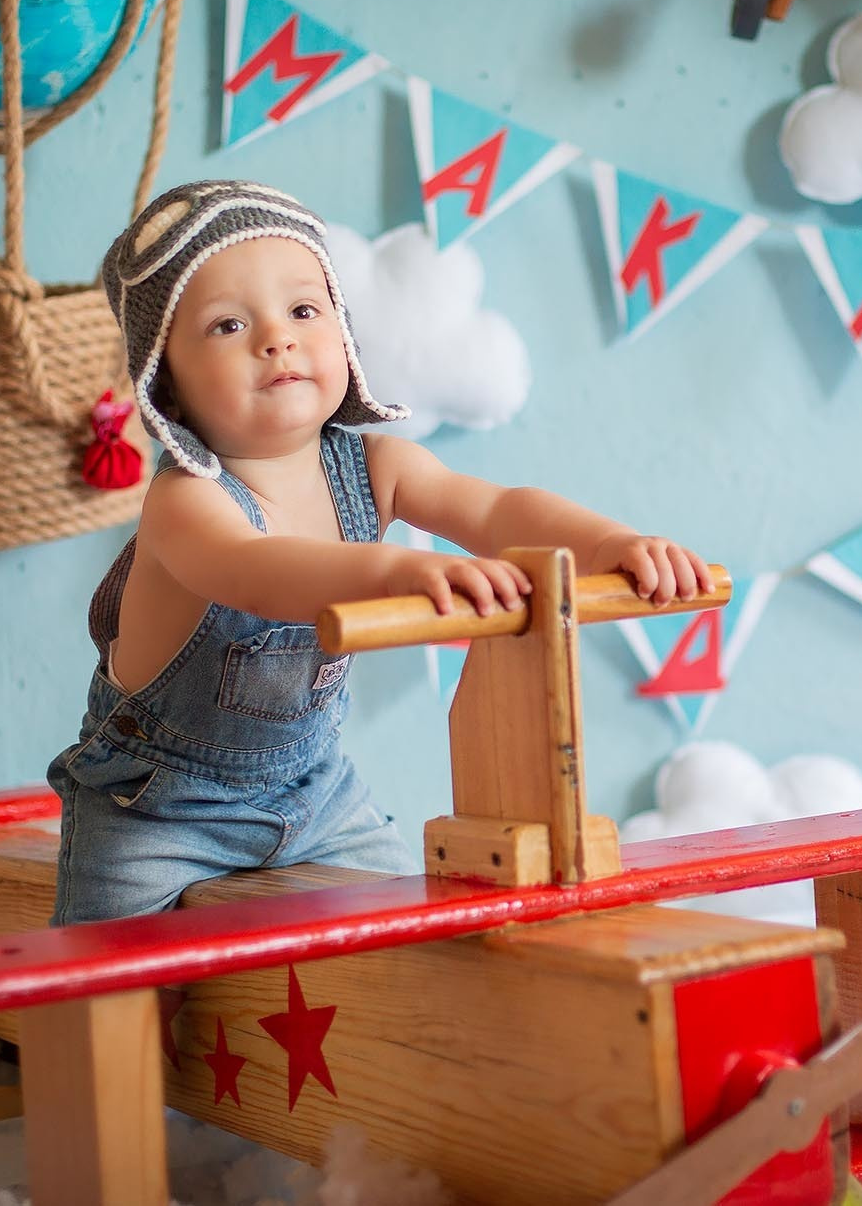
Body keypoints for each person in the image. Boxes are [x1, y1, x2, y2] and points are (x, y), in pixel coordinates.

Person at [49, 180, 711, 925]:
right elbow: (260, 576)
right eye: (229, 324)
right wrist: (398, 570)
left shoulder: (373, 467)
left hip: (317, 794)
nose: (278, 337)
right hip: (157, 810)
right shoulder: (187, 502)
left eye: (304, 309)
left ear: (343, 333)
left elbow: (497, 510)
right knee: (102, 987)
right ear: (163, 386)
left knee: (414, 937)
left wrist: (609, 544)